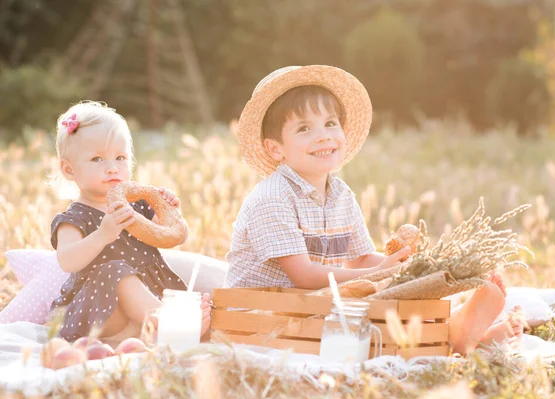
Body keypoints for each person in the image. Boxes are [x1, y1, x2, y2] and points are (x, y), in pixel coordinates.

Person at [225, 65, 524, 353]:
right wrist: (379, 272)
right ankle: (452, 336)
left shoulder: (340, 194)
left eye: (330, 123)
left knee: (390, 293)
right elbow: (303, 275)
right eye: (304, 128)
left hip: (314, 304)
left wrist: (413, 268)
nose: (324, 135)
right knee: (363, 311)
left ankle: (457, 332)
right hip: (263, 313)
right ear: (276, 148)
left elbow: (361, 260)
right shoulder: (272, 197)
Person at [49, 101, 211, 343]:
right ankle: (172, 325)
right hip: (101, 312)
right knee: (116, 271)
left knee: (190, 297)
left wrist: (173, 212)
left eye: (120, 157)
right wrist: (102, 235)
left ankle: (154, 331)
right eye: (97, 159)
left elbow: (176, 236)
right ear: (69, 170)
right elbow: (67, 260)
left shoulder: (140, 205)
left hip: (146, 301)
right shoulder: (74, 218)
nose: (112, 168)